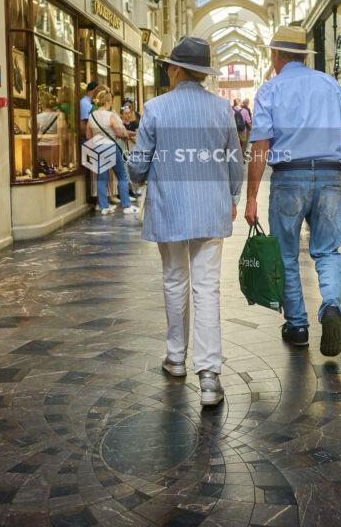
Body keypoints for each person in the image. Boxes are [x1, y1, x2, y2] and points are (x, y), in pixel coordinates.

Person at [128, 37, 243, 406]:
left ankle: (176, 358)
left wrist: (134, 176)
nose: (167, 72)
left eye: (167, 67)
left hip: (169, 208)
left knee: (175, 280)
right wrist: (233, 197)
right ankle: (209, 376)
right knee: (207, 288)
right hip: (211, 208)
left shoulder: (155, 108)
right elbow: (234, 161)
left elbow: (139, 163)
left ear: (177, 70)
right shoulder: (222, 109)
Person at [245, 25, 341, 357]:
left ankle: (297, 326)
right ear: (303, 55)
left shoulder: (269, 90)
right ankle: (331, 307)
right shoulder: (328, 83)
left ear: (276, 55)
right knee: (327, 251)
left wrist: (251, 195)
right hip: (327, 176)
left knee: (286, 255)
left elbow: (260, 146)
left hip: (288, 179)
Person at [86, 88, 138, 215]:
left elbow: (88, 136)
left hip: (97, 148)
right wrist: (125, 135)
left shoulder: (92, 116)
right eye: (111, 101)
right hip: (110, 147)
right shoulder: (111, 115)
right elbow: (119, 132)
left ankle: (104, 207)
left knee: (102, 178)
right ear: (108, 101)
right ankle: (127, 206)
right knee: (122, 176)